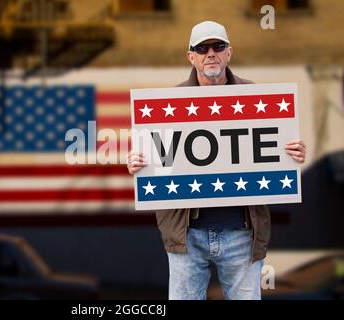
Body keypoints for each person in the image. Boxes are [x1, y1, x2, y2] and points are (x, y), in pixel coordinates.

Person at [127, 21, 306, 300]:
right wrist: (140, 163)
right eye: (202, 48)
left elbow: (276, 151)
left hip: (242, 235)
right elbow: (156, 162)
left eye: (217, 46)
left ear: (229, 53)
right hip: (187, 236)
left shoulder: (255, 97)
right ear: (192, 57)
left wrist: (292, 153)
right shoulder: (168, 104)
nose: (210, 53)